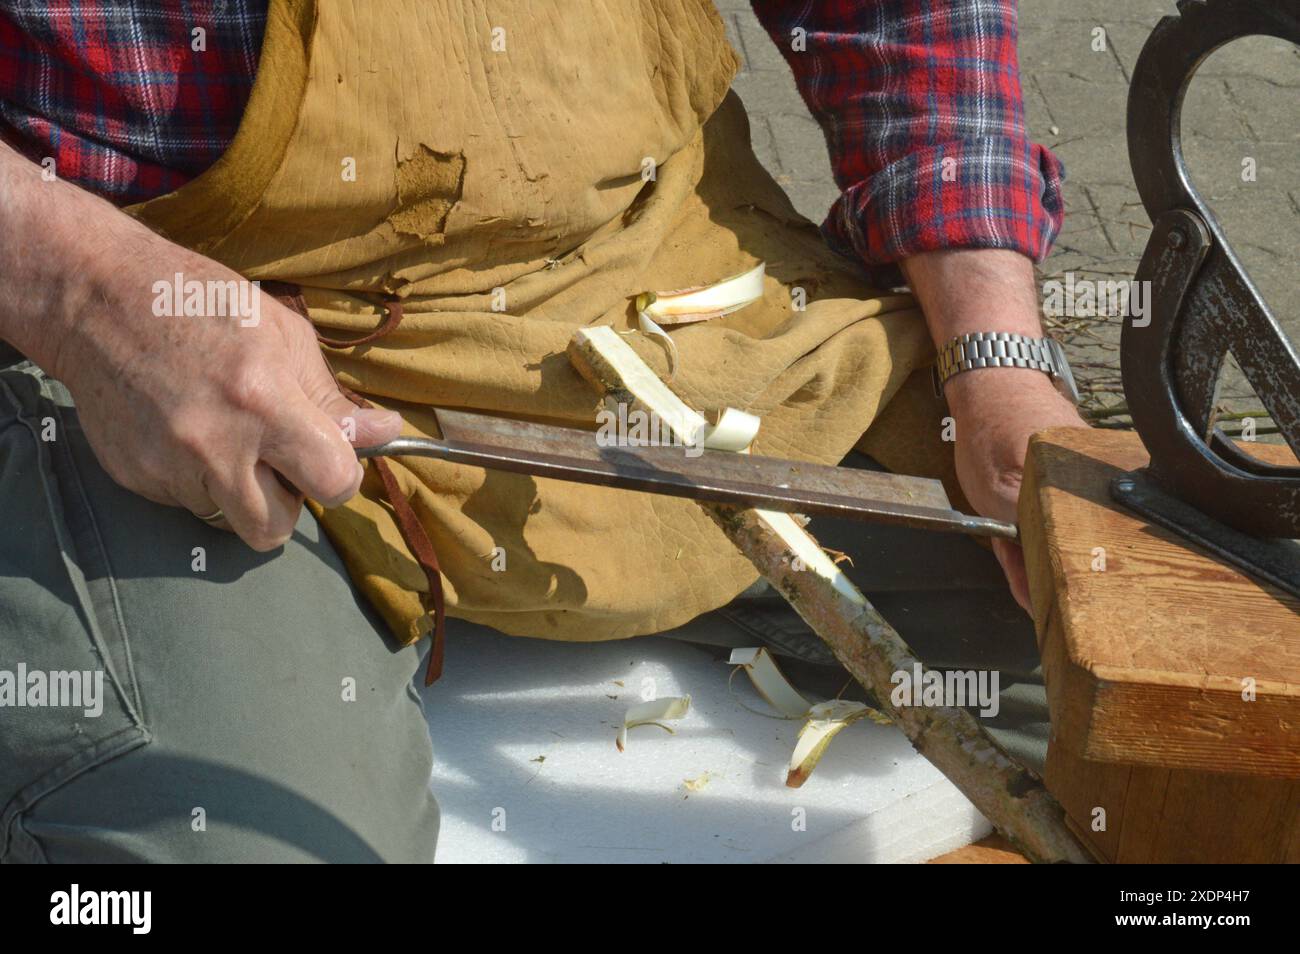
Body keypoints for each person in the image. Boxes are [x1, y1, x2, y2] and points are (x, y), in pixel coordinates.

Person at [0, 0, 1085, 863]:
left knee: (1138, 679)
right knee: (248, 840)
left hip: (656, 271)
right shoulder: (116, 313)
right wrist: (83, 293)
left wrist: (992, 357)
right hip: (190, 352)